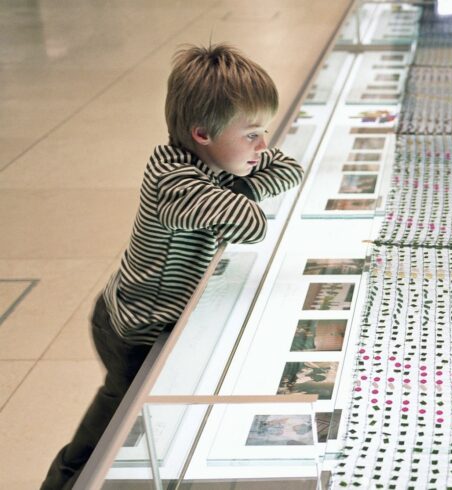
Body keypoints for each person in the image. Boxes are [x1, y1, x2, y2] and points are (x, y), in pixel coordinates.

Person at [41, 43, 304, 489]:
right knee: (105, 435)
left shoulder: (212, 159)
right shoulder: (174, 181)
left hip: (158, 317)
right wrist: (243, 183)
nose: (263, 145)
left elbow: (289, 168)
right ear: (203, 134)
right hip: (133, 331)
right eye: (251, 134)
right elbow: (250, 223)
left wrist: (239, 171)